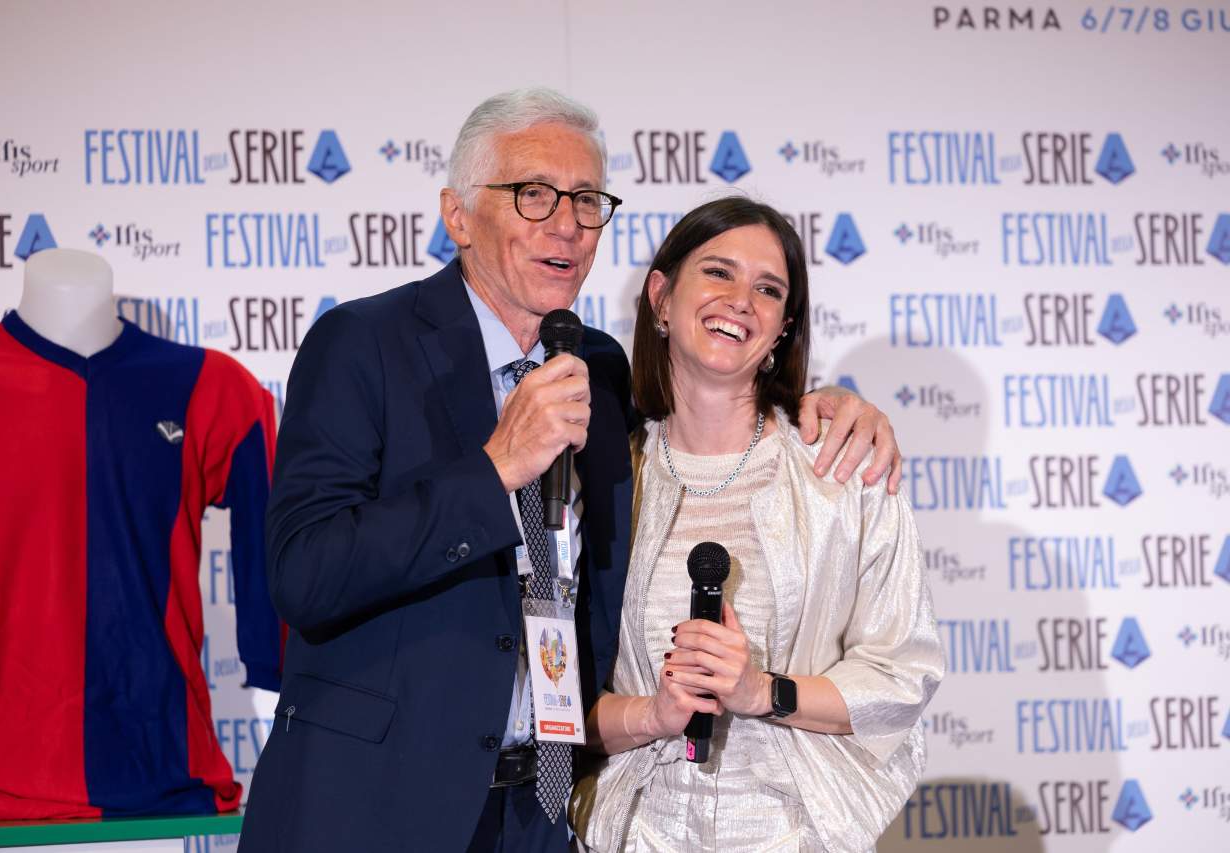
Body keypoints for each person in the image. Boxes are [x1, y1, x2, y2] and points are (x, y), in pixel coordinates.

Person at [238, 89, 902, 853]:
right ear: (458, 216)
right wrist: (494, 470)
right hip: (373, 808)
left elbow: (710, 406)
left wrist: (819, 406)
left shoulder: (598, 365)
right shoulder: (362, 342)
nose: (567, 224)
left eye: (587, 200)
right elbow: (304, 572)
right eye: (534, 194)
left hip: (541, 810)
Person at [569, 198, 944, 853]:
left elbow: (901, 675)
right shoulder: (599, 482)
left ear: (782, 329)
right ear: (660, 297)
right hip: (639, 835)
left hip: (792, 835)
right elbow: (555, 701)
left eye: (768, 289)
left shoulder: (843, 469)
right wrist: (655, 713)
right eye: (718, 272)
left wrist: (762, 691)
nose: (741, 300)